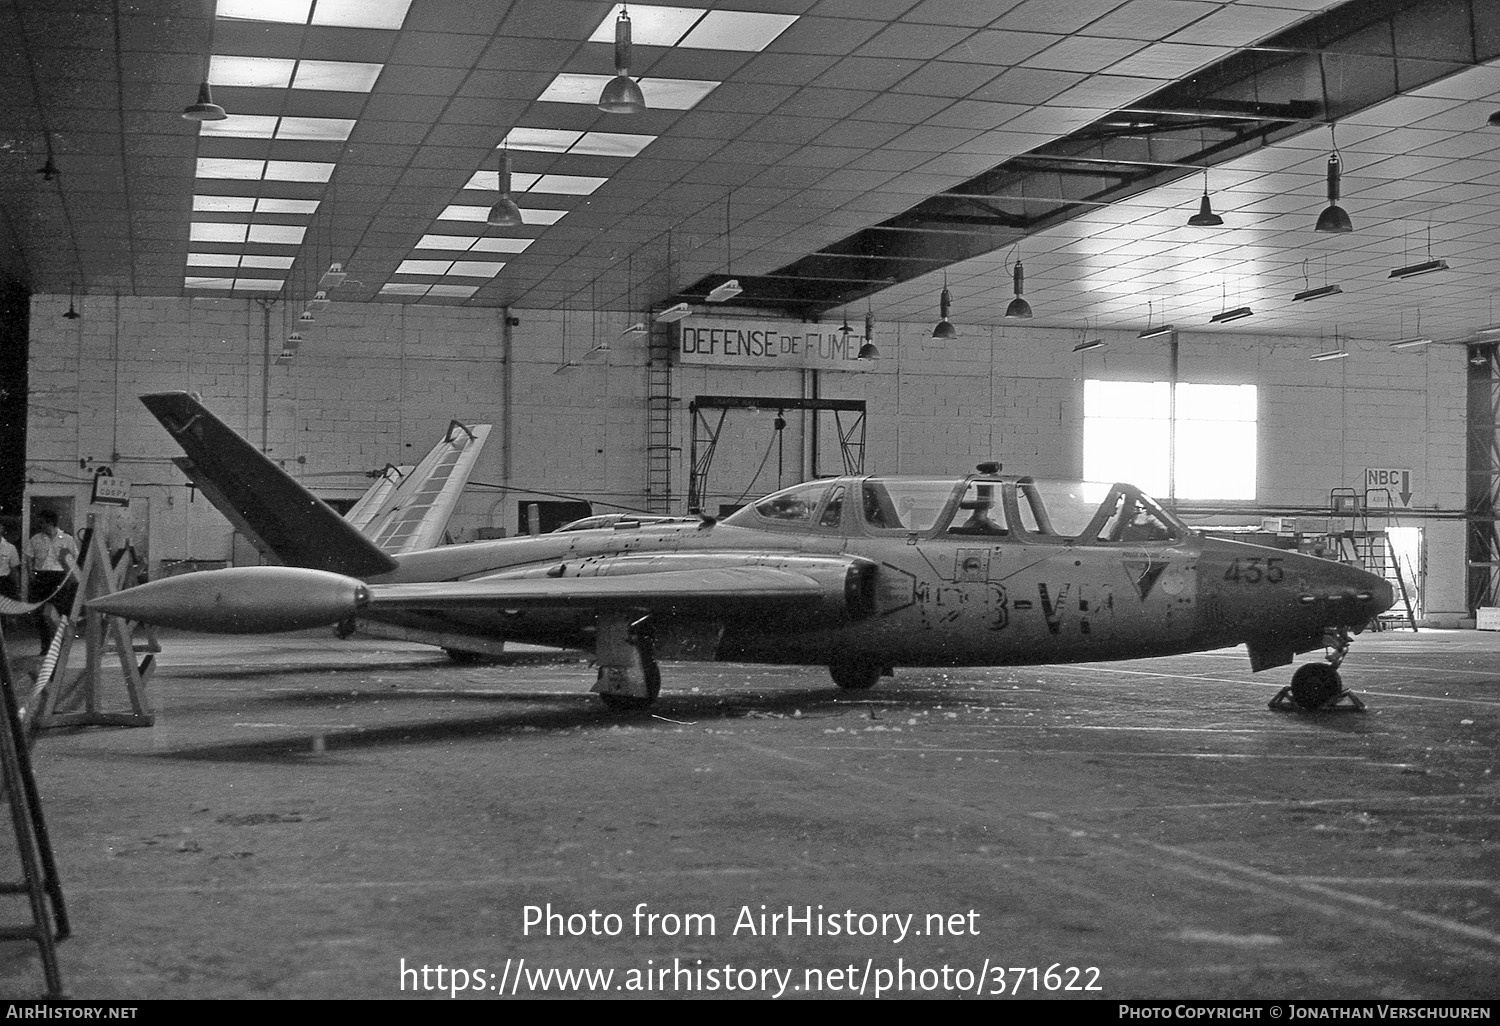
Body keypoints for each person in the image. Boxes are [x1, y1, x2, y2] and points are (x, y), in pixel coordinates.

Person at [29, 510, 78, 655]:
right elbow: (29, 558)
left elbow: (74, 559)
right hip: (42, 577)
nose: (40, 525)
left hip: (59, 577)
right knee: (41, 613)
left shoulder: (67, 539)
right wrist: (32, 573)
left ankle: (60, 646)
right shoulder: (36, 539)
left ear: (50, 523)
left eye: (42, 522)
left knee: (60, 612)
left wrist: (69, 578)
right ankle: (45, 646)